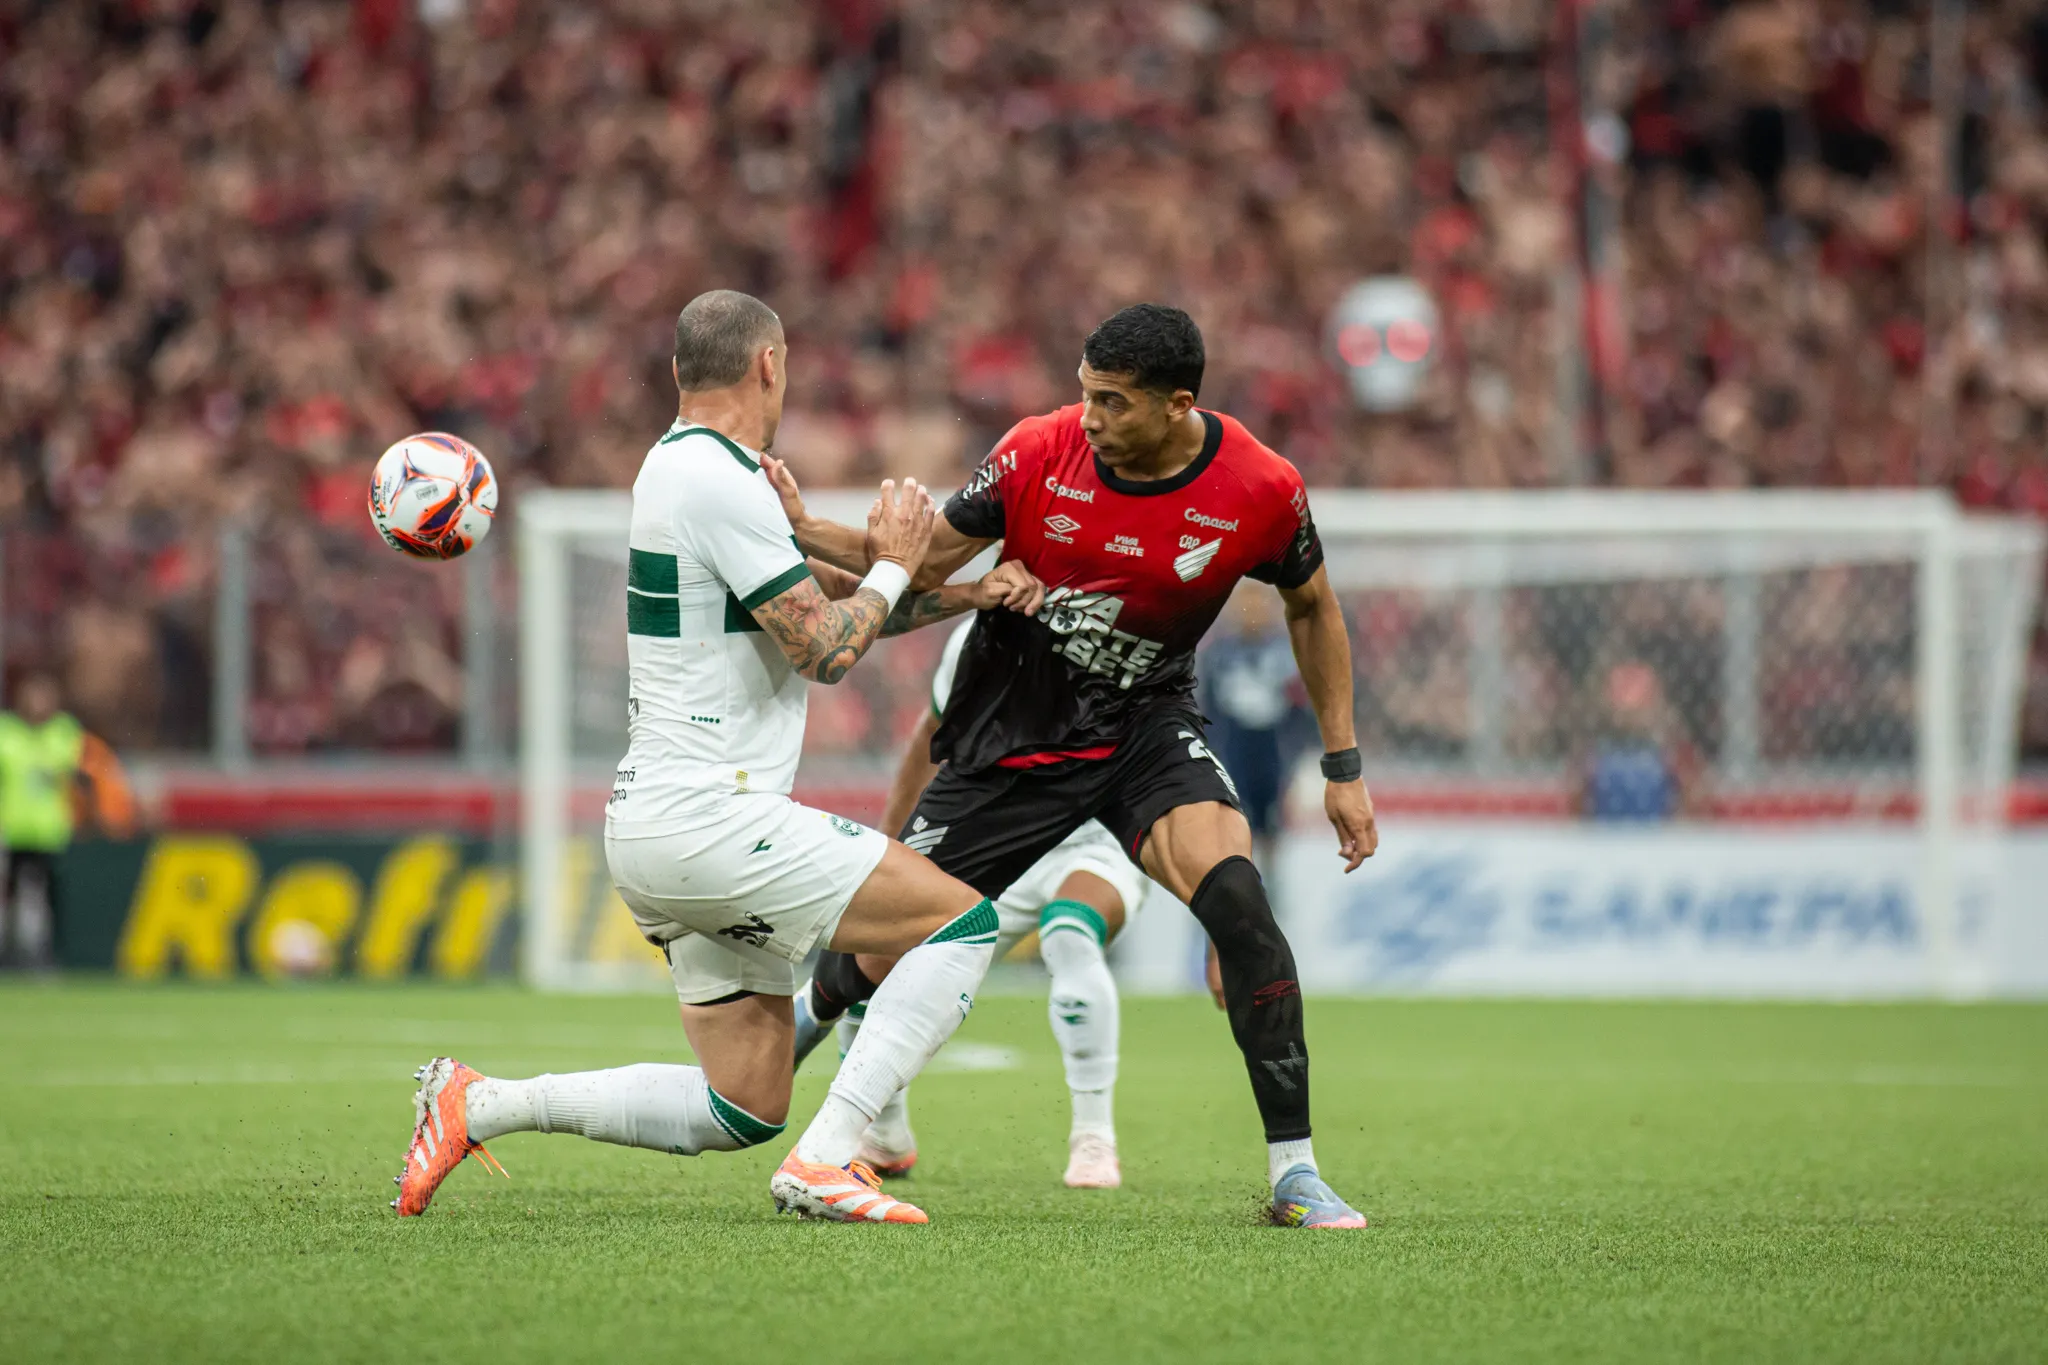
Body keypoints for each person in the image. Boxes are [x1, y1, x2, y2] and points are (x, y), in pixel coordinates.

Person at [394, 290, 1045, 1225]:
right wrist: (901, 560)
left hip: (662, 825)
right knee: (961, 924)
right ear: (770, 364)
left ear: (677, 373)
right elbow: (825, 649)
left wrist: (974, 593)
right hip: (713, 819)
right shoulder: (715, 480)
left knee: (742, 1104)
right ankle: (832, 1159)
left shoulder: (689, 470)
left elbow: (823, 607)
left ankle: (479, 1100)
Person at [772, 304, 1379, 1228]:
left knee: (1242, 910)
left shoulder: (1262, 486)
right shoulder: (1035, 453)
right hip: (1010, 740)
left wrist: (1342, 763)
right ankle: (815, 1014)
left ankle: (1295, 1172)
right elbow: (915, 561)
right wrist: (807, 526)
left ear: (1179, 406)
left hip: (1144, 731)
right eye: (1085, 391)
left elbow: (1313, 606)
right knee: (880, 951)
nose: (1088, 416)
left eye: (1113, 401)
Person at [829, 618, 1150, 1189]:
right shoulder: (978, 639)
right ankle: (885, 1134)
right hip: (1005, 841)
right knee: (879, 959)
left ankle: (1094, 1137)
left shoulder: (1130, 625)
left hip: (1098, 839)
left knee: (1069, 931)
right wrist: (892, 848)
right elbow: (932, 739)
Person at [0, 672, 85, 970]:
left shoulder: (64, 733)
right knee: (9, 898)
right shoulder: (6, 732)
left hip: (51, 832)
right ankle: (7, 954)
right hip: (12, 831)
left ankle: (48, 956)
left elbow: (79, 777)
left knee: (50, 899)